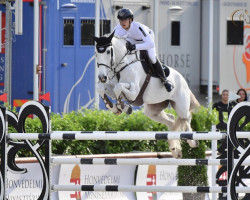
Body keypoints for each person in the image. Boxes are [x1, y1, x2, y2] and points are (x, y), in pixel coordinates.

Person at [113, 8, 173, 92]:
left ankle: (165, 80)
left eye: (125, 19)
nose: (123, 22)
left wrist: (135, 47)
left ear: (131, 20)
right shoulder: (117, 29)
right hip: (132, 40)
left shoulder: (138, 27)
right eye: (121, 20)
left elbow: (150, 43)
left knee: (152, 57)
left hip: (147, 39)